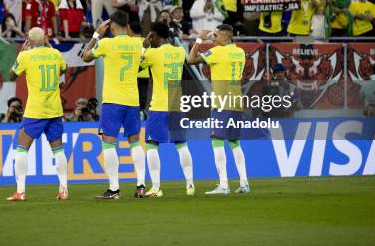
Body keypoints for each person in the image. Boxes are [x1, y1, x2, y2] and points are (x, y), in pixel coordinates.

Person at [82, 11, 146, 199]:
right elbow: (143, 58)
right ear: (127, 25)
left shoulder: (106, 43)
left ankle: (114, 189)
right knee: (135, 142)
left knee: (109, 143)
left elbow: (84, 56)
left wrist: (96, 35)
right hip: (133, 100)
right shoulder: (138, 43)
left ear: (110, 27)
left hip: (113, 100)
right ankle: (141, 185)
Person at [8, 27, 69, 201]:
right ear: (45, 38)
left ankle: (20, 191)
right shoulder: (55, 53)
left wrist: (20, 55)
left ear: (29, 40)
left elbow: (12, 75)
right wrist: (48, 48)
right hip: (55, 109)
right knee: (58, 150)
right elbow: (63, 69)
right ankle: (63, 189)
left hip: (36, 110)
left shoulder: (25, 56)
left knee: (21, 148)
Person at [188, 24, 250, 194]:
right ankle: (244, 182)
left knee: (217, 141)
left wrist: (200, 39)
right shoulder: (239, 52)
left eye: (216, 35)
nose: (213, 38)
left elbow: (191, 60)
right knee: (235, 142)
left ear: (226, 37)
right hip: (237, 102)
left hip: (222, 103)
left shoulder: (217, 52)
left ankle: (223, 184)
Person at [141, 22, 194, 197]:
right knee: (182, 145)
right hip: (177, 105)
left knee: (151, 145)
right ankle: (190, 185)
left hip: (159, 106)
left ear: (155, 35)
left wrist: (144, 47)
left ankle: (156, 187)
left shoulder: (153, 53)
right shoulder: (179, 52)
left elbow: (138, 64)